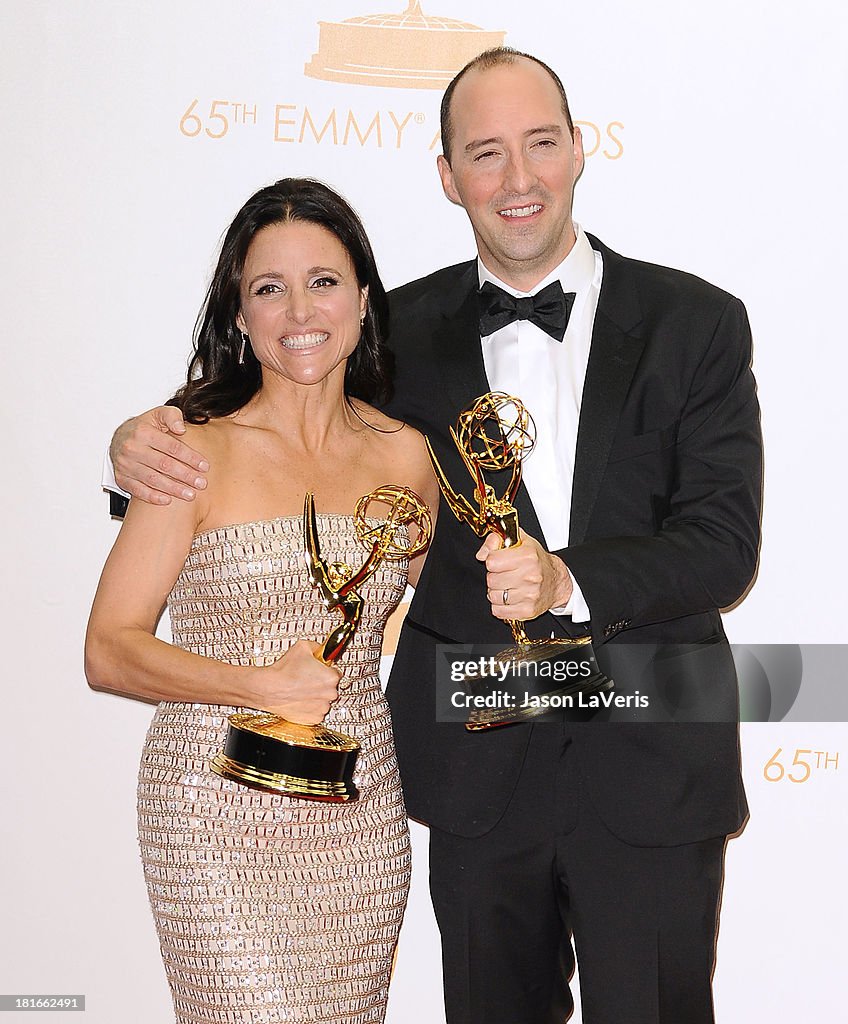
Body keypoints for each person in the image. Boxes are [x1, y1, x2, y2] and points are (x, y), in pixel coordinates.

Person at [107, 49, 763, 1024]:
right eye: (484, 153)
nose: (516, 177)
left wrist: (563, 578)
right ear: (447, 175)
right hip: (477, 780)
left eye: (539, 144)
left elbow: (722, 543)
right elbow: (277, 440)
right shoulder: (388, 332)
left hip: (651, 762)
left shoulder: (696, 322)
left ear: (577, 150)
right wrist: (133, 453)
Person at [86, 178, 437, 1024]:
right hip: (212, 809)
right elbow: (109, 649)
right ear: (239, 316)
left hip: (357, 814)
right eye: (267, 288)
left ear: (361, 298)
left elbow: (432, 617)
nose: (297, 310)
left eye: (321, 280)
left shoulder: (408, 460)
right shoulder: (186, 450)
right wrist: (261, 686)